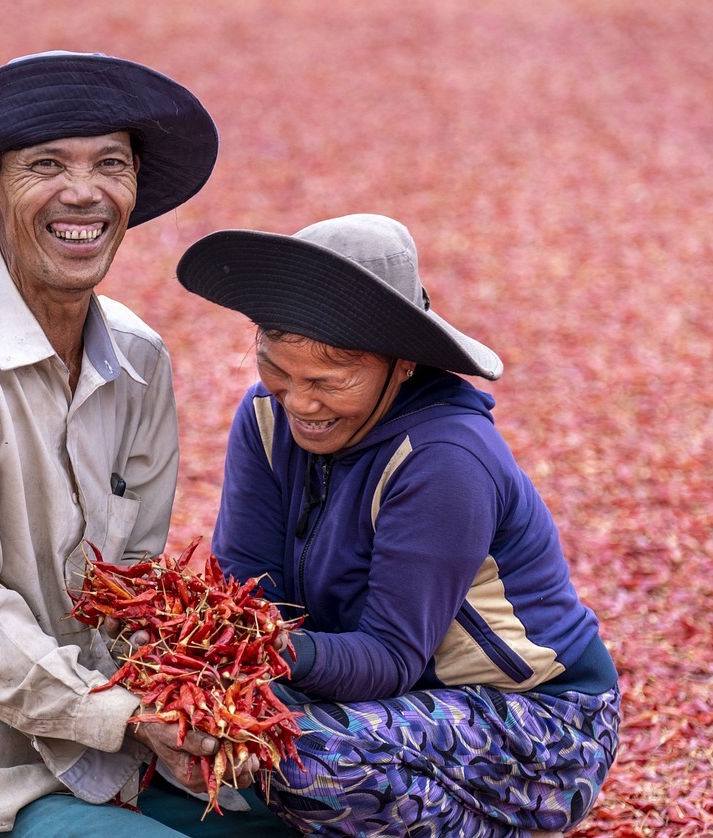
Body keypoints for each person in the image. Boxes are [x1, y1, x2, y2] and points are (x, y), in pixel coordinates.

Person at [0, 51, 294, 838]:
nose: (84, 192)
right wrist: (129, 717)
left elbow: (135, 585)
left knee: (322, 821)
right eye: (47, 165)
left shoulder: (139, 362)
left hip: (124, 752)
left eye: (110, 164)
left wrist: (190, 709)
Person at [176, 214, 623, 837]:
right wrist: (218, 654)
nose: (300, 403)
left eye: (328, 383)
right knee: (189, 723)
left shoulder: (445, 460)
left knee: (296, 755)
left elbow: (390, 658)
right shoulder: (264, 419)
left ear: (403, 364)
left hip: (538, 723)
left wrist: (269, 652)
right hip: (363, 694)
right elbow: (249, 588)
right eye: (278, 370)